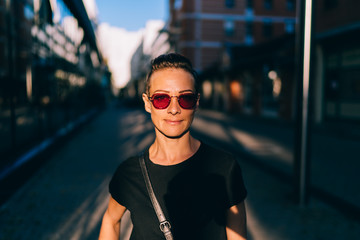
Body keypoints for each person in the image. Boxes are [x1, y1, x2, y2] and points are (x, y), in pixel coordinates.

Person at [99, 53, 247, 240]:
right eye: (162, 98)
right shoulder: (129, 173)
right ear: (147, 103)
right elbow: (111, 220)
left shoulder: (224, 167)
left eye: (185, 98)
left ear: (196, 103)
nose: (174, 108)